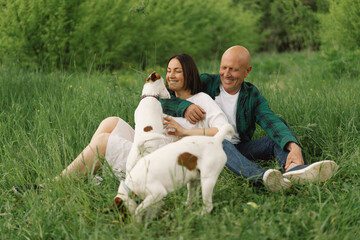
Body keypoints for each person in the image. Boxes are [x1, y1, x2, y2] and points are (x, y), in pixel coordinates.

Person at [13, 53, 229, 194]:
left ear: (188, 73)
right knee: (111, 122)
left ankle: (51, 186)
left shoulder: (202, 100)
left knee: (104, 142)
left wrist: (183, 131)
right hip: (150, 144)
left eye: (177, 71)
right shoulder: (165, 100)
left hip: (163, 159)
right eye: (169, 70)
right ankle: (90, 174)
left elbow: (224, 133)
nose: (170, 75)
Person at [160, 46, 338, 192]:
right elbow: (164, 95)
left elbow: (271, 122)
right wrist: (184, 107)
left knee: (275, 136)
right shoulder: (206, 82)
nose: (227, 74)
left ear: (247, 71)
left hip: (242, 148)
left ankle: (294, 171)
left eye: (234, 69)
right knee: (220, 140)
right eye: (224, 68)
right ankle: (262, 177)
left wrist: (294, 146)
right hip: (214, 147)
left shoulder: (252, 96)